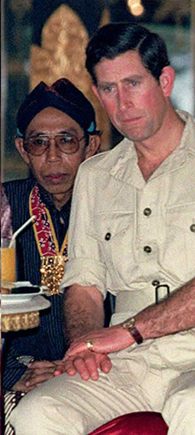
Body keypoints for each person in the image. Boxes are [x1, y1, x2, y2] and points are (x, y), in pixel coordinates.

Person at [11, 22, 195, 435]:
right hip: (124, 364)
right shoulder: (96, 175)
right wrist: (87, 345)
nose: (123, 102)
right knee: (37, 412)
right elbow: (84, 285)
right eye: (109, 89)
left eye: (133, 83)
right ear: (97, 93)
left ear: (165, 81)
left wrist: (129, 331)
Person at [2, 79, 101, 399]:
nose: (53, 157)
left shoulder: (116, 209)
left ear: (91, 146)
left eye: (67, 141)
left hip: (99, 366)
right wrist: (11, 373)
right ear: (23, 149)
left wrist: (75, 363)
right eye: (39, 142)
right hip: (17, 368)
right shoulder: (4, 206)